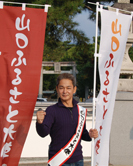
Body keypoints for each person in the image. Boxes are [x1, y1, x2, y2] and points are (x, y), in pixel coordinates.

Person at [36, 73, 98, 166]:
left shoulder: (80, 110)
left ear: (74, 89)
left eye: (68, 88)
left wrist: (90, 135)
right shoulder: (52, 110)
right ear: (57, 89)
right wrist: (40, 122)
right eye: (61, 88)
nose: (65, 91)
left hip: (78, 160)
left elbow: (82, 134)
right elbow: (43, 133)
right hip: (58, 160)